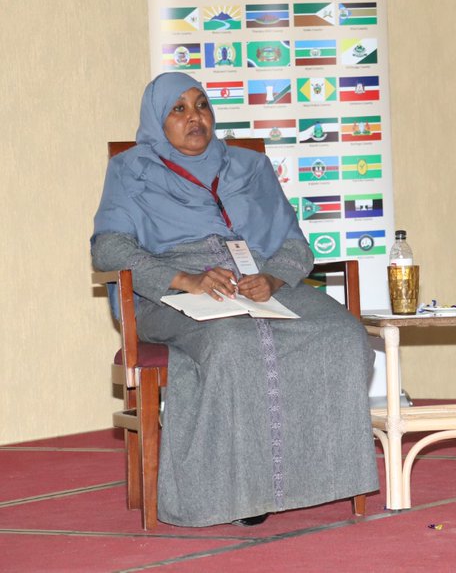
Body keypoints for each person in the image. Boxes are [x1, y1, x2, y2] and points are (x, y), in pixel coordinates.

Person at [92, 72, 378, 526]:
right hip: (170, 290)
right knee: (233, 341)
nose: (195, 117)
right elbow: (109, 247)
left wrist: (274, 278)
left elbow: (294, 244)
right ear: (156, 120)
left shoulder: (250, 167)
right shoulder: (132, 170)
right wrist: (184, 278)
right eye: (179, 109)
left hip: (255, 277)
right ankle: (242, 491)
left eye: (202, 105)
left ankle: (317, 477)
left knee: (343, 334)